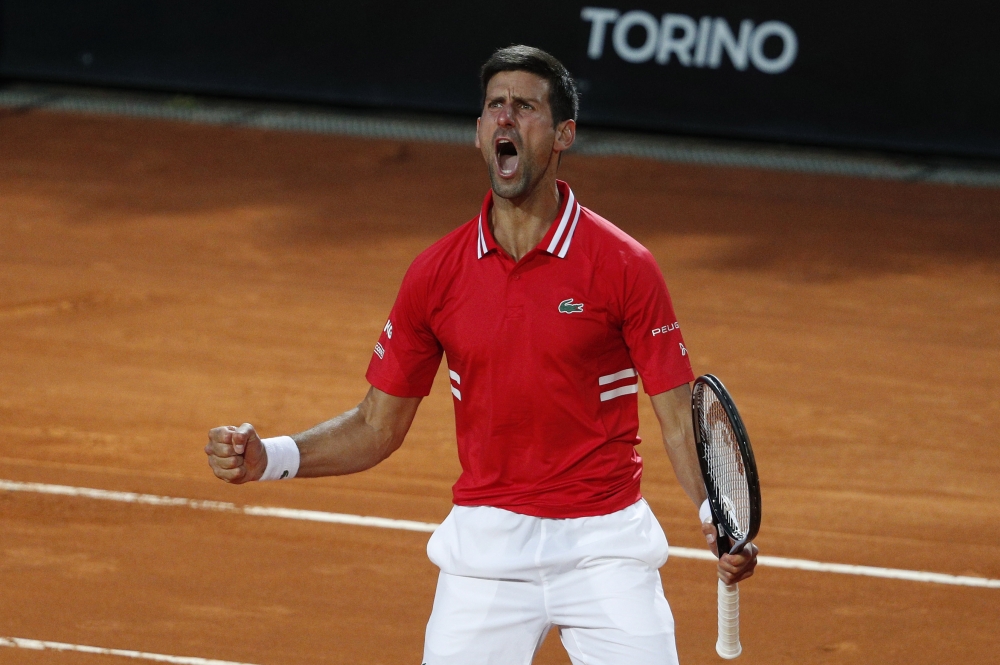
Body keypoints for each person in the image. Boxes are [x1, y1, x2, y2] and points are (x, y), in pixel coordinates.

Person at [205, 45, 757, 665]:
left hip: (605, 546)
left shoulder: (625, 266)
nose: (505, 118)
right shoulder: (435, 275)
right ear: (477, 133)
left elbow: (679, 420)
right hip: (485, 552)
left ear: (562, 135)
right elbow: (375, 426)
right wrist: (269, 458)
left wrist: (715, 511)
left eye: (525, 107)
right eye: (494, 105)